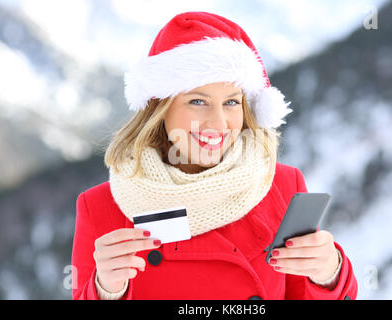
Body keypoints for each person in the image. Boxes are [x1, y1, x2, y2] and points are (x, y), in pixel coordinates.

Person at [71, 11, 357, 300]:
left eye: (232, 102)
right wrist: (105, 290)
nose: (219, 123)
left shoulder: (282, 185)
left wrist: (328, 274)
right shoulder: (101, 207)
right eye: (198, 101)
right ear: (160, 108)